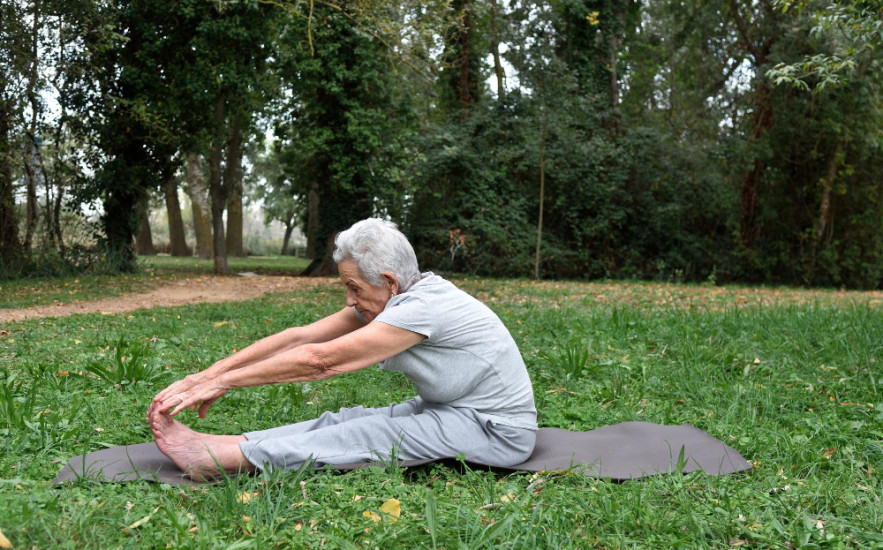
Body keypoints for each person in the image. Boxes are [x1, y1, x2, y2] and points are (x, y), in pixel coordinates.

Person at [147, 218, 537, 478]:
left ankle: (228, 460)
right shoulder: (397, 297)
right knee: (345, 420)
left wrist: (225, 383)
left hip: (495, 430)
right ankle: (236, 444)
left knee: (373, 433)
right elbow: (300, 337)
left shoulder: (423, 309)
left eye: (354, 288)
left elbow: (320, 361)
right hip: (449, 408)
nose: (350, 300)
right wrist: (208, 375)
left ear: (389, 282)